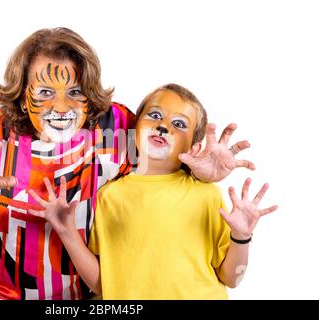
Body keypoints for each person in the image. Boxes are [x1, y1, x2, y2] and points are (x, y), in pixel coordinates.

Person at [0, 27, 255, 300]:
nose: (61, 106)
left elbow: (168, 152)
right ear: (21, 90)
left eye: (75, 91)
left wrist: (201, 171)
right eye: (45, 92)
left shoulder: (115, 125)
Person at [28, 83, 278, 299]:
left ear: (194, 145)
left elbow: (232, 279)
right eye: (155, 115)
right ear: (135, 127)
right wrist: (67, 232)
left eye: (179, 124)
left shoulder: (206, 194)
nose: (163, 126)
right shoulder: (109, 195)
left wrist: (241, 237)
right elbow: (105, 283)